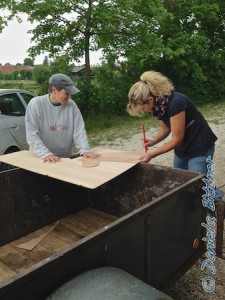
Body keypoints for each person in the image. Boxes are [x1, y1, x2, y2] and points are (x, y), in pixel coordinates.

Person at [127, 70, 217, 174]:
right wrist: (154, 141)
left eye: (142, 108)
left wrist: (151, 154)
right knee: (180, 182)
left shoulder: (176, 103)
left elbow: (177, 139)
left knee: (199, 188)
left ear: (151, 99)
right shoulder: (159, 107)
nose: (143, 111)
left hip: (200, 148)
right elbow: (165, 128)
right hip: (182, 149)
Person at [25, 73, 99, 163]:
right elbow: (32, 135)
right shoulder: (36, 104)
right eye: (67, 93)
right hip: (41, 159)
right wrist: (45, 154)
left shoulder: (71, 105)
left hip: (63, 159)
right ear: (54, 90)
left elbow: (79, 130)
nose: (70, 97)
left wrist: (85, 149)